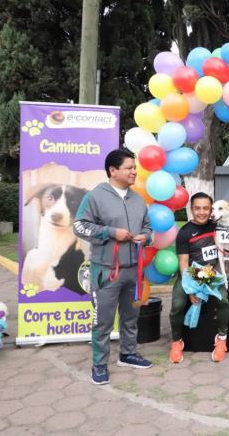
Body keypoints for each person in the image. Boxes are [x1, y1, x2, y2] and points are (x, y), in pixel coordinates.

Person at [73, 148, 153, 385]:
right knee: (103, 321)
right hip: (106, 271)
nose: (134, 172)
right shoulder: (95, 197)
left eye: (134, 167)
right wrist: (110, 232)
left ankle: (128, 354)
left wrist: (145, 237)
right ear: (113, 170)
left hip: (134, 270)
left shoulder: (138, 199)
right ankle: (99, 365)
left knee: (131, 317)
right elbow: (80, 226)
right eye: (129, 168)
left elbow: (148, 227)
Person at [169, 192, 229, 364]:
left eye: (205, 208)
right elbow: (183, 262)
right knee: (177, 305)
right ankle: (176, 341)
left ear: (211, 210)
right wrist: (190, 289)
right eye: (197, 208)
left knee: (223, 300)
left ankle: (222, 339)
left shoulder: (217, 226)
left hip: (210, 273)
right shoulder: (185, 232)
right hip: (191, 273)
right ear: (191, 209)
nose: (201, 212)